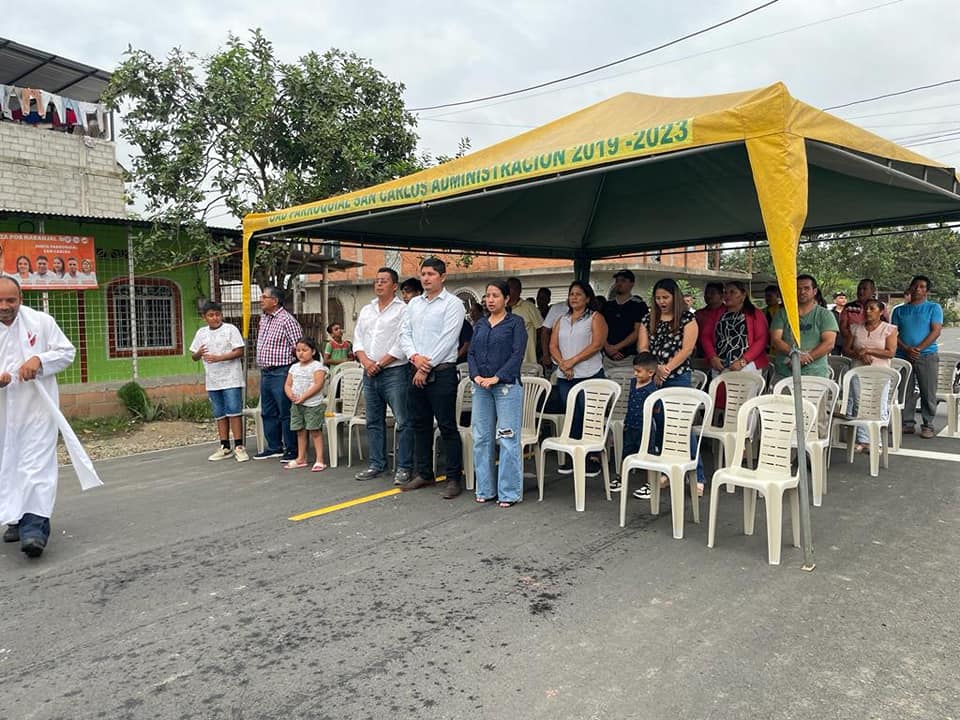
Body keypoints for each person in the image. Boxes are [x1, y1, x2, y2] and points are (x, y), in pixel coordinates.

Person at [0, 276, 77, 557]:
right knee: (7, 463)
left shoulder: (41, 322)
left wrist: (40, 359)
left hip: (36, 410)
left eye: (11, 300)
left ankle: (34, 529)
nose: (5, 306)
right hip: (3, 414)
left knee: (35, 465)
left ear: (21, 299)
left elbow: (67, 353)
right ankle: (16, 518)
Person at [398, 258, 465, 499]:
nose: (426, 278)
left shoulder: (453, 304)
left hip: (442, 372)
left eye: (431, 274)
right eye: (423, 274)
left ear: (442, 277)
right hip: (415, 368)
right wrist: (415, 357)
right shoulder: (414, 304)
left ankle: (453, 478)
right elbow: (404, 333)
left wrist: (426, 367)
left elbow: (448, 339)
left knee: (447, 425)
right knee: (420, 423)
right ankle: (425, 473)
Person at [636, 277, 704, 496]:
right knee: (660, 424)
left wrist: (666, 369)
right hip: (653, 376)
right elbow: (643, 348)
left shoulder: (687, 318)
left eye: (665, 297)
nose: (661, 302)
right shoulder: (648, 319)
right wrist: (655, 368)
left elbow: (687, 349)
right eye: (657, 298)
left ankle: (697, 475)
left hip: (678, 377)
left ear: (675, 297)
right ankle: (666, 469)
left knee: (681, 426)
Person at [468, 279, 527, 507]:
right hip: (481, 387)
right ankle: (485, 488)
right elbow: (471, 353)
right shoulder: (480, 324)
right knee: (481, 438)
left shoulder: (516, 323)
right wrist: (476, 376)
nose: (490, 300)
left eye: (495, 296)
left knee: (507, 438)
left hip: (506, 387)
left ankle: (509, 492)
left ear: (506, 299)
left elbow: (517, 354)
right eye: (487, 296)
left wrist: (497, 377)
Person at [352, 267, 413, 485]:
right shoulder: (367, 310)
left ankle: (404, 466)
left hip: (395, 371)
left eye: (384, 281)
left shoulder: (403, 310)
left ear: (394, 286)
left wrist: (379, 363)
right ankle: (376, 463)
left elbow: (403, 342)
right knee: (373, 420)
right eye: (376, 280)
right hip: (369, 372)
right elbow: (357, 339)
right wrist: (366, 362)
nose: (378, 284)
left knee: (403, 421)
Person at [548, 280, 608, 476]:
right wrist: (563, 364)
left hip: (589, 374)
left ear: (587, 298)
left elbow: (597, 344)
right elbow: (552, 346)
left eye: (578, 294)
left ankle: (593, 457)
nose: (573, 297)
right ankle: (573, 455)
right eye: (571, 294)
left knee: (590, 416)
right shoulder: (562, 319)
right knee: (572, 415)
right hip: (566, 376)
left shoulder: (595, 317)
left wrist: (572, 361)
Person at [189, 300, 249, 463]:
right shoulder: (201, 333)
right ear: (204, 318)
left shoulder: (230, 329)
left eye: (217, 314)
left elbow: (239, 351)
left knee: (234, 411)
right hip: (213, 380)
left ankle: (239, 446)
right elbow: (194, 356)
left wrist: (219, 358)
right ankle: (225, 446)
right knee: (219, 413)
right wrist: (199, 353)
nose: (215, 318)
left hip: (231, 378)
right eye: (211, 315)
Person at [254, 286, 303, 461]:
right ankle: (274, 446)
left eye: (264, 297)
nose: (260, 300)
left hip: (282, 371)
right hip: (266, 372)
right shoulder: (264, 318)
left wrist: (294, 372)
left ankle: (292, 449)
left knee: (285, 412)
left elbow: (299, 347)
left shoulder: (287, 320)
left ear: (274, 301)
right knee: (268, 411)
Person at [843, 298, 898, 453]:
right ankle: (863, 440)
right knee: (859, 405)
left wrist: (868, 350)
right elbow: (847, 349)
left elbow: (890, 352)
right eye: (866, 308)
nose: (868, 311)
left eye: (872, 308)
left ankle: (876, 441)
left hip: (880, 374)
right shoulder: (855, 328)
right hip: (858, 372)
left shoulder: (889, 329)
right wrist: (860, 355)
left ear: (881, 312)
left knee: (878, 406)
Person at [891, 275, 943, 438]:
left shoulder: (933, 308)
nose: (918, 289)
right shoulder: (899, 310)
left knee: (928, 390)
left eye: (922, 287)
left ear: (927, 291)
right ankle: (907, 423)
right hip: (903, 354)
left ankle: (928, 424)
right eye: (915, 286)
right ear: (910, 287)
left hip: (926, 354)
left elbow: (936, 331)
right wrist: (907, 349)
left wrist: (918, 349)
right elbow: (893, 333)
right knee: (905, 390)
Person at [769, 274, 838, 382]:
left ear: (814, 291)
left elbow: (829, 343)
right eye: (798, 288)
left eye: (806, 288)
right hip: (784, 374)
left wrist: (806, 358)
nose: (802, 292)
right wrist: (794, 354)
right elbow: (775, 340)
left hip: (816, 374)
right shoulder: (782, 314)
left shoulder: (825, 314)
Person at [608, 352, 659, 496]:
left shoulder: (652, 390)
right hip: (630, 424)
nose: (635, 374)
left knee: (648, 455)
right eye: (634, 370)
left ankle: (650, 484)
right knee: (626, 453)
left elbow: (656, 409)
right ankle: (621, 478)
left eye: (638, 371)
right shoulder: (632, 382)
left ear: (651, 372)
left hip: (645, 428)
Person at [701, 280, 770, 377]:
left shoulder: (755, 314)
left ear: (743, 295)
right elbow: (705, 337)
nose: (727, 295)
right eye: (725, 292)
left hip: (748, 365)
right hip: (720, 365)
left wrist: (744, 361)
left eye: (732, 292)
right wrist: (712, 357)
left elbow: (761, 340)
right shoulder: (715, 314)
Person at [284, 337, 328, 471]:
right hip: (297, 404)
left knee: (315, 431)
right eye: (298, 350)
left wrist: (303, 397)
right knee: (300, 431)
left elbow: (318, 384)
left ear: (313, 351)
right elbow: (288, 384)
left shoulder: (317, 366)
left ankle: (320, 459)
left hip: (313, 405)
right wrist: (290, 394)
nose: (301, 353)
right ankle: (301, 457)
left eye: (304, 350)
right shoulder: (294, 367)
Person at [601, 269, 648, 367]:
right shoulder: (607, 305)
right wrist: (607, 347)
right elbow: (600, 328)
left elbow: (637, 331)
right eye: (617, 281)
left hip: (629, 357)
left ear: (632, 283)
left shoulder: (639, 305)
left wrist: (616, 348)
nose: (619, 284)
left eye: (623, 281)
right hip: (606, 356)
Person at [506, 276, 542, 365]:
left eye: (513, 288)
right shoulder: (500, 308)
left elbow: (541, 330)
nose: (509, 291)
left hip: (527, 361)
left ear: (519, 291)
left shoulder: (529, 307)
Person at [839, 279, 889, 343]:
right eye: (859, 289)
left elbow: (885, 327)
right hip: (852, 344)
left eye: (864, 289)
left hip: (875, 343)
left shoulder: (881, 306)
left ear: (873, 290)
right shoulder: (849, 307)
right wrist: (856, 340)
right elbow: (843, 328)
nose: (861, 291)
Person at [694, 282, 725, 357]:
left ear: (721, 295)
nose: (708, 295)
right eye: (706, 293)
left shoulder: (729, 313)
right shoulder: (698, 314)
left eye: (712, 293)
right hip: (702, 353)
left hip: (724, 352)